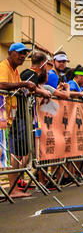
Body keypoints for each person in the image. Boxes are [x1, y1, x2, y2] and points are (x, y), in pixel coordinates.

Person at [0, 43, 51, 197]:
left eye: (25, 54)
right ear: (10, 53)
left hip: (9, 116)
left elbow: (21, 89)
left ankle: (14, 187)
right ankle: (13, 188)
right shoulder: (4, 66)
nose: (23, 56)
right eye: (20, 53)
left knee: (11, 154)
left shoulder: (15, 71)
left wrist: (29, 88)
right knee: (12, 154)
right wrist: (25, 84)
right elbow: (2, 84)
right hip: (5, 116)